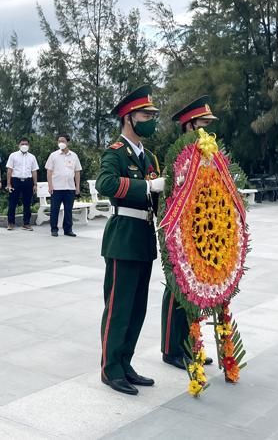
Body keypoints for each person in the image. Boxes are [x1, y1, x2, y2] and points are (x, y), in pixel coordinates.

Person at [95, 85, 163, 395]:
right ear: (128, 118)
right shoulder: (116, 152)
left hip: (144, 238)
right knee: (119, 306)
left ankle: (125, 362)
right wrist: (146, 188)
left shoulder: (149, 157)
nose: (151, 119)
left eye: (152, 115)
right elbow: (106, 183)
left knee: (137, 308)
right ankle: (110, 369)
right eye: (146, 114)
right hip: (123, 236)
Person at [161, 96, 219, 370]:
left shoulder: (207, 150)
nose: (207, 128)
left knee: (195, 291)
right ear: (189, 125)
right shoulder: (179, 152)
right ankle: (172, 349)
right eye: (203, 123)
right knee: (177, 289)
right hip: (179, 230)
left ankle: (190, 345)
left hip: (201, 229)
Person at [45, 134, 83, 238]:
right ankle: (54, 229)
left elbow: (77, 172)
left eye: (63, 141)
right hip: (56, 188)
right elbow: (49, 171)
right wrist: (50, 186)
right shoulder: (53, 155)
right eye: (59, 141)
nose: (61, 143)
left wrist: (77, 187)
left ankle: (68, 229)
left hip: (70, 188)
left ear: (68, 142)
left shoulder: (74, 156)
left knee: (68, 210)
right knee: (55, 209)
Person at [5, 137, 39, 230]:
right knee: (13, 202)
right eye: (22, 144)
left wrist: (35, 184)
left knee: (27, 203)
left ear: (29, 145)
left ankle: (26, 223)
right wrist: (8, 183)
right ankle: (11, 223)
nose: (24, 146)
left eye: (26, 144)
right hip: (15, 181)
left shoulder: (32, 157)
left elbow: (34, 171)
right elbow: (9, 170)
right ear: (19, 145)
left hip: (28, 181)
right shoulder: (13, 155)